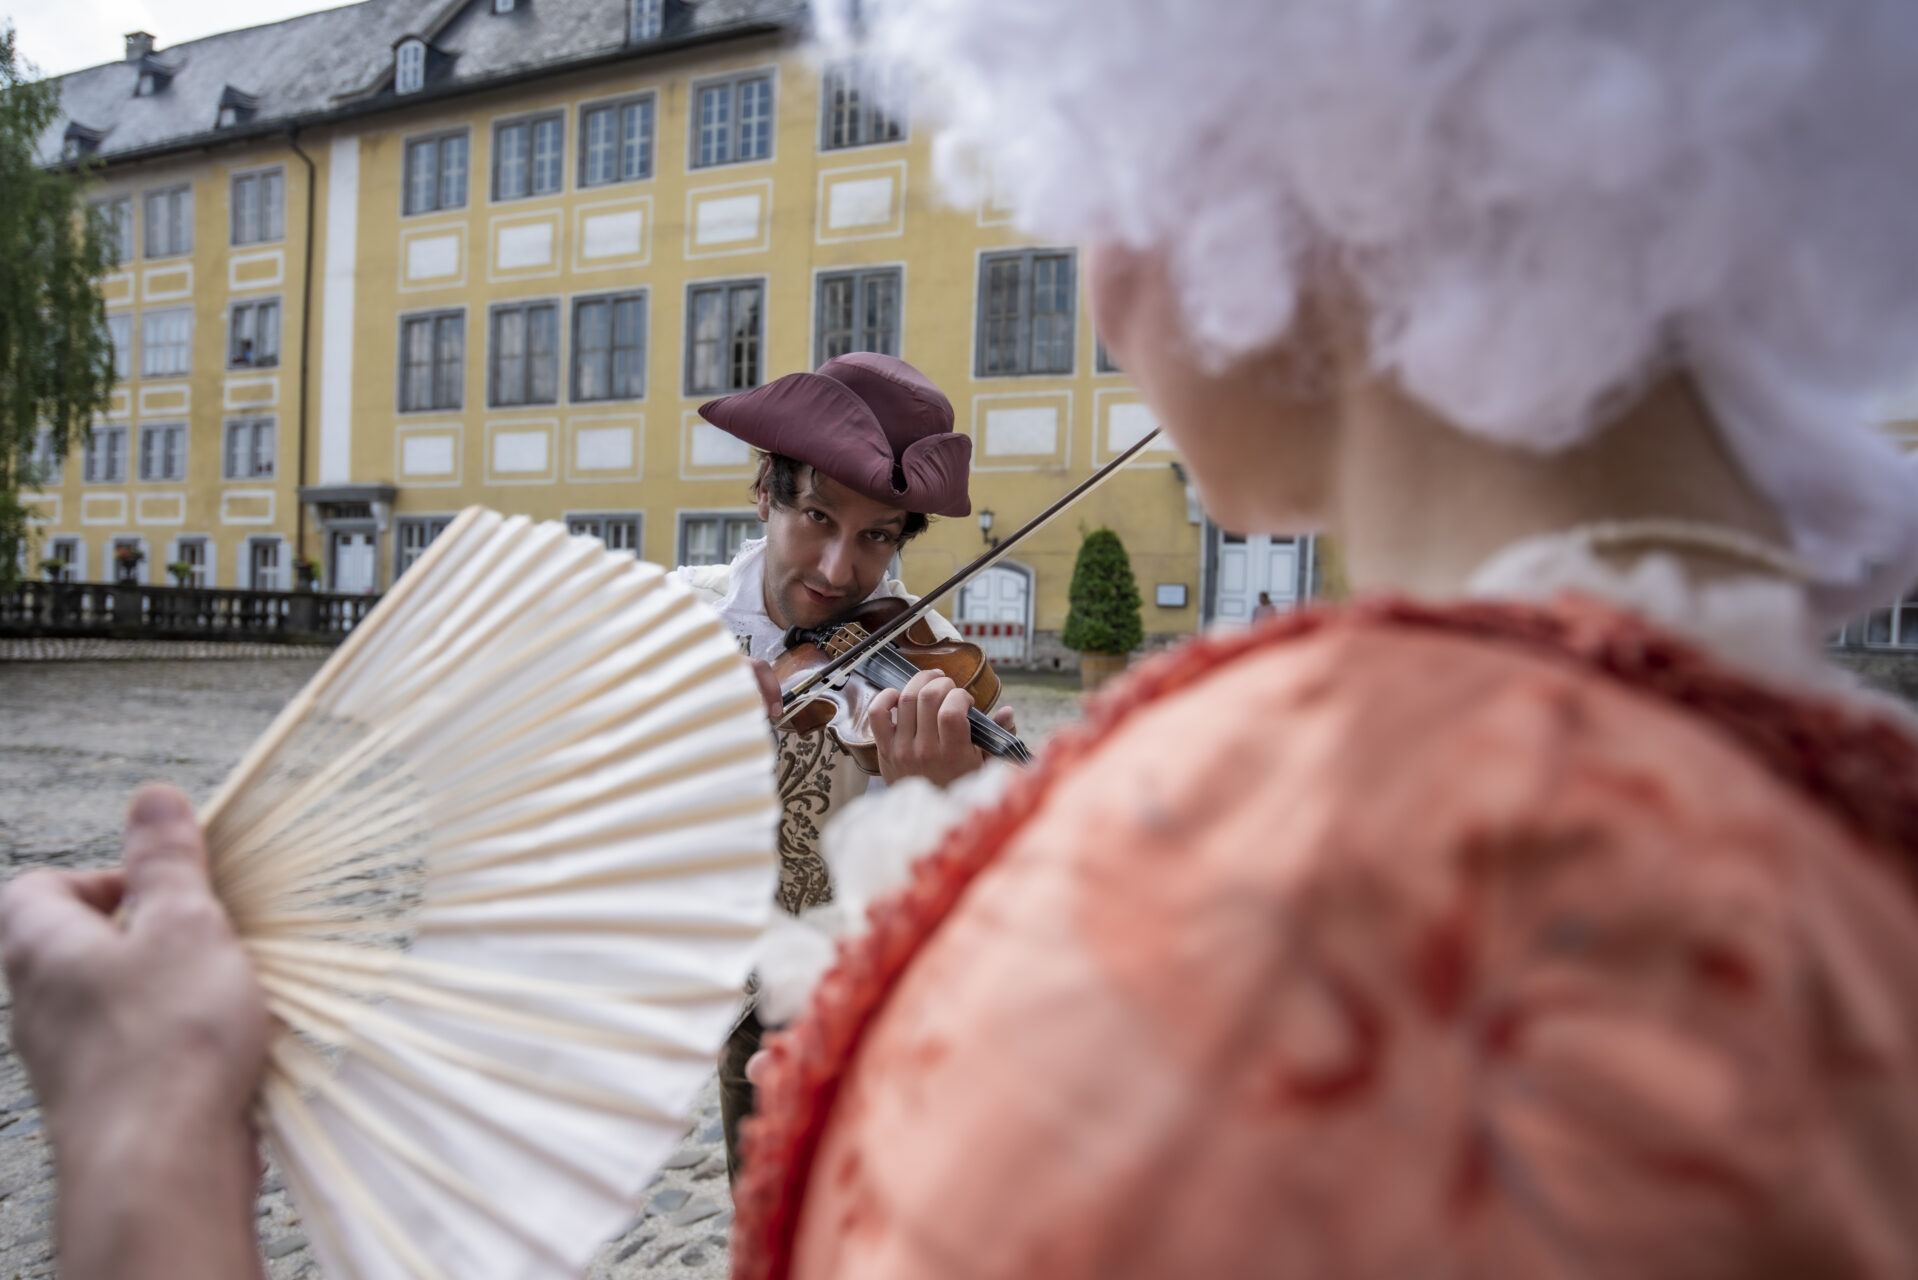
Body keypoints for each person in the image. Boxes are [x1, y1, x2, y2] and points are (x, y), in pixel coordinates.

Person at [12, 2, 1918, 1277]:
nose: (1098, 275)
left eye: (1090, 193)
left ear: (1239, 180)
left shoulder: (1181, 890)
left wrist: (152, 1154)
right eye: (823, 525)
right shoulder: (1838, 830)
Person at [672, 350, 1015, 1177]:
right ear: (766, 492)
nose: (838, 570)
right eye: (818, 517)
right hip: (749, 1003)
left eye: (875, 537)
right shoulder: (676, 622)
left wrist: (939, 808)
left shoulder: (933, 666)